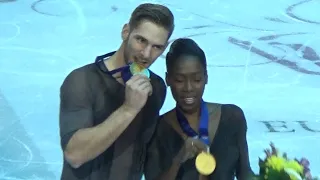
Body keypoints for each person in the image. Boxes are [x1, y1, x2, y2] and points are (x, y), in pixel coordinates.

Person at [58, 3, 174, 180]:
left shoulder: (156, 87)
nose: (146, 54)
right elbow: (75, 155)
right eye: (141, 40)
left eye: (156, 47)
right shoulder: (82, 81)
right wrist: (129, 109)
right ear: (126, 32)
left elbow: (142, 152)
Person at [144, 38, 253, 180]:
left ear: (206, 77)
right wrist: (177, 161)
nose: (188, 88)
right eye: (179, 80)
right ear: (168, 79)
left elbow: (245, 173)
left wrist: (272, 170)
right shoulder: (158, 129)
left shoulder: (232, 118)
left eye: (196, 79)